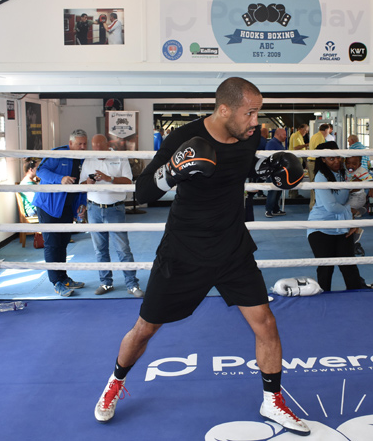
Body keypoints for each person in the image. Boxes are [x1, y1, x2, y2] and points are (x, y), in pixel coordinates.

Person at [94, 77, 309, 436]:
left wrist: (266, 170)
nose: (256, 121)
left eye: (257, 113)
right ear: (224, 109)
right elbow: (144, 191)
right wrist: (173, 171)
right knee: (145, 328)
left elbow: (239, 169)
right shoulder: (183, 139)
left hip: (231, 246)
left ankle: (272, 400)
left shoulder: (247, 135)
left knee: (266, 323)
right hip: (184, 249)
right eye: (249, 113)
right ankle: (115, 382)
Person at [80, 134, 144, 298]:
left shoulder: (119, 157)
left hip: (115, 209)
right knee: (100, 249)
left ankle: (132, 285)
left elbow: (129, 182)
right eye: (94, 147)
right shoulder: (88, 160)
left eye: (99, 146)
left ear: (107, 144)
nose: (97, 150)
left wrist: (110, 179)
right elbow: (81, 185)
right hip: (94, 209)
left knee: (123, 249)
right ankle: (106, 283)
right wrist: (88, 183)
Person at [32, 129, 88, 297]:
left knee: (63, 242)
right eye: (79, 144)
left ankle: (63, 277)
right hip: (48, 206)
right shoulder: (58, 153)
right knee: (52, 243)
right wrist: (60, 179)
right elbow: (40, 171)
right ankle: (56, 282)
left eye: (85, 144)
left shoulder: (84, 158)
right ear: (71, 143)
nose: (83, 147)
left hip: (66, 206)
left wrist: (82, 205)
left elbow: (82, 185)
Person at [307, 142, 368, 292]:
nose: (336, 161)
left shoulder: (343, 173)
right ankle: (324, 304)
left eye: (337, 157)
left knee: (349, 268)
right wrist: (352, 213)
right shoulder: (321, 177)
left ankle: (356, 301)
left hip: (341, 226)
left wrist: (351, 221)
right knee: (326, 269)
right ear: (323, 159)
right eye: (331, 159)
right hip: (320, 227)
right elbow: (331, 207)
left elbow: (348, 198)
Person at [344, 155, 373, 256]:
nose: (351, 166)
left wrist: (371, 189)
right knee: (347, 213)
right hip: (350, 195)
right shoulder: (345, 170)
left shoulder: (361, 171)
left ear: (359, 164)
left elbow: (370, 180)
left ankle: (356, 225)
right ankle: (357, 213)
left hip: (358, 197)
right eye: (348, 163)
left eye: (354, 164)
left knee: (348, 210)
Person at [265, 127, 287, 218]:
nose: (286, 136)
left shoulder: (278, 143)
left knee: (278, 191)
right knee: (273, 192)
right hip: (273, 172)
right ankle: (268, 210)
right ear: (278, 134)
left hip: (279, 171)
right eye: (284, 134)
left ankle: (275, 209)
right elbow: (269, 158)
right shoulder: (271, 143)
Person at [307, 123, 330, 209]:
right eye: (328, 131)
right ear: (326, 130)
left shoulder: (314, 135)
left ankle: (314, 206)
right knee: (316, 186)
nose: (328, 133)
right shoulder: (320, 137)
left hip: (311, 161)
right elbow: (319, 151)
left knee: (314, 185)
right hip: (314, 162)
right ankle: (314, 207)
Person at [288, 124, 309, 199]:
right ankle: (293, 195)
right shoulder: (295, 135)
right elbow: (296, 147)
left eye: (307, 131)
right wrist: (306, 145)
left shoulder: (300, 136)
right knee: (294, 177)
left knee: (296, 177)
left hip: (298, 160)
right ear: (300, 129)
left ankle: (295, 193)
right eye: (305, 130)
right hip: (294, 160)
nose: (306, 132)